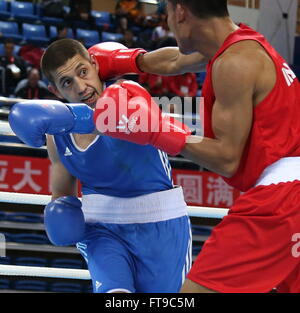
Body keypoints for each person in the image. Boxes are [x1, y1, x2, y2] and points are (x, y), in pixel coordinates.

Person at [78, 0, 300, 293]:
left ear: (181, 12)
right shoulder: (239, 43)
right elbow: (175, 60)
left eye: (168, 15)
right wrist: (125, 60)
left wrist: (155, 128)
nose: (167, 23)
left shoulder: (234, 64)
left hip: (282, 197)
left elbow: (227, 158)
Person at [8, 39, 206, 293]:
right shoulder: (55, 134)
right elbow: (62, 194)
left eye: (83, 72)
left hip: (160, 225)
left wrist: (69, 117)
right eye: (67, 82)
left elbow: (108, 116)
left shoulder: (126, 92)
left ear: (94, 64)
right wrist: (60, 212)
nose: (81, 87)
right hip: (101, 229)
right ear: (55, 91)